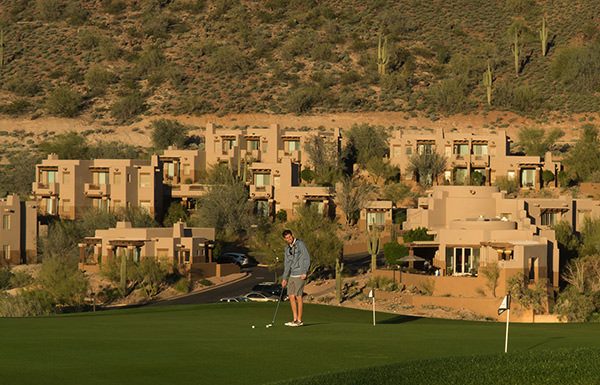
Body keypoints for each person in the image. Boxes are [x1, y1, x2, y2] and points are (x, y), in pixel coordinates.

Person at [281, 229, 311, 327]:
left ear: (292, 235)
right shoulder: (287, 249)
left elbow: (307, 257)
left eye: (290, 237)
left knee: (298, 296)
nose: (289, 239)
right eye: (287, 238)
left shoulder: (300, 244)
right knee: (291, 296)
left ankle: (299, 320)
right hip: (292, 275)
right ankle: (294, 319)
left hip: (300, 274)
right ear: (285, 239)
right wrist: (285, 278)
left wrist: (304, 271)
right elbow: (287, 263)